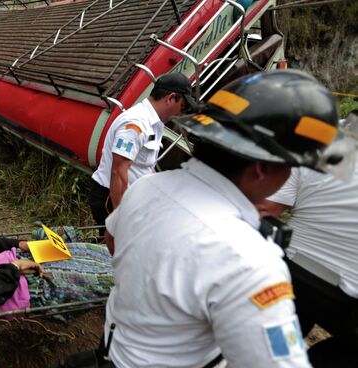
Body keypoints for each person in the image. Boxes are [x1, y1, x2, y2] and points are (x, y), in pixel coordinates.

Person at [103, 70, 342, 367]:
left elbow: (112, 236)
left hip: (114, 354)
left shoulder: (145, 188)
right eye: (291, 166)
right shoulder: (250, 260)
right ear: (260, 168)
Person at [255, 112, 358, 367]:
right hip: (349, 300)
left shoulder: (327, 139)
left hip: (291, 273)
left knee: (267, 348)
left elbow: (265, 208)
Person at [89, 72, 196, 234]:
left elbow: (145, 166)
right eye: (183, 106)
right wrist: (121, 216)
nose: (181, 113)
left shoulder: (154, 123)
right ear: (171, 98)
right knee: (121, 250)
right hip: (111, 199)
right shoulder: (135, 124)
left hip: (132, 197)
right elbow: (118, 171)